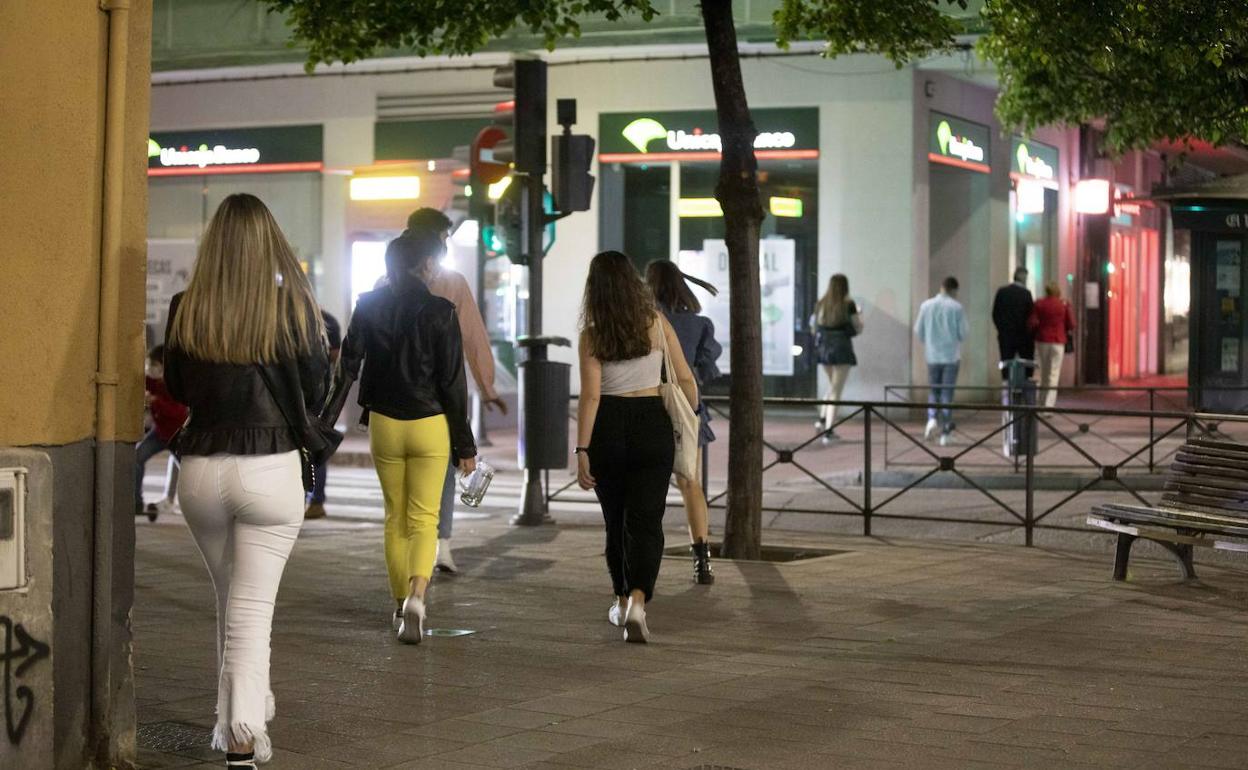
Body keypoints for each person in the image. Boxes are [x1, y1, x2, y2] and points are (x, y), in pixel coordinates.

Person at [163, 193, 330, 767]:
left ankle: (236, 712)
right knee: (251, 611)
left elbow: (179, 389)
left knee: (232, 602)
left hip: (202, 471)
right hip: (269, 468)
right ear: (270, 245)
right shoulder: (297, 310)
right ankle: (242, 739)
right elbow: (315, 388)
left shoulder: (188, 307)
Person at [321, 230, 477, 644]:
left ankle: (397, 604)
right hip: (431, 423)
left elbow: (347, 366)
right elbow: (452, 383)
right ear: (425, 266)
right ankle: (417, 596)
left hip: (386, 423)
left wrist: (326, 419)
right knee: (425, 518)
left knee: (395, 517)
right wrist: (466, 445)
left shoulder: (369, 306)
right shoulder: (441, 310)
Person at [577, 251, 697, 643]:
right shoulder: (656, 324)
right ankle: (640, 602)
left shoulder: (592, 334)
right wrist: (688, 414)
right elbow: (685, 380)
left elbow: (591, 397)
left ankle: (621, 599)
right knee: (646, 522)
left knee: (616, 522)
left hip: (608, 426)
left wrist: (582, 450)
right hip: (651, 425)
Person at [405, 207, 506, 574]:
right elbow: (474, 339)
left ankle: (411, 547)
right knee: (444, 472)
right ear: (438, 241)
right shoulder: (452, 283)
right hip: (442, 393)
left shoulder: (385, 283)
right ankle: (441, 544)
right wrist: (487, 385)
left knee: (402, 477)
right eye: (446, 237)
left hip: (395, 396)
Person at [645, 260, 721, 585]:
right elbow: (705, 370)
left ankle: (645, 561)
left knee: (647, 487)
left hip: (647, 405)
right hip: (687, 409)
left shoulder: (645, 321)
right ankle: (702, 561)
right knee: (691, 484)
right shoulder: (699, 325)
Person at [914, 276, 968, 446]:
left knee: (934, 390)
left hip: (932, 355)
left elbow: (919, 331)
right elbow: (964, 333)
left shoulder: (926, 305)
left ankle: (931, 420)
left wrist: (930, 341)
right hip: (951, 356)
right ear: (954, 290)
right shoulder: (957, 308)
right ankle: (946, 431)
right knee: (947, 393)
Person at [136, 344, 187, 519]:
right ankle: (136, 503)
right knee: (138, 457)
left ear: (163, 367)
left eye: (154, 366)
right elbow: (140, 380)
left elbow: (179, 413)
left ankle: (188, 505)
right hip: (159, 433)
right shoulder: (153, 381)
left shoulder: (176, 384)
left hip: (177, 435)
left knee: (187, 469)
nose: (150, 369)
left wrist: (155, 401)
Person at [811, 274, 864, 441]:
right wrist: (859, 314)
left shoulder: (821, 304)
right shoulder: (848, 304)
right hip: (841, 349)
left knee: (832, 386)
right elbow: (858, 328)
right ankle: (829, 430)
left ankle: (821, 420)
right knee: (836, 390)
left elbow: (814, 328)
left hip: (824, 349)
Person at [304, 310, 341, 520]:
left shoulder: (282, 314)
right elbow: (336, 355)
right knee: (315, 444)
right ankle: (316, 500)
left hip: (300, 393)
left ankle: (311, 499)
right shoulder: (328, 319)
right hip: (320, 391)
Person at [1029, 282, 1076, 408]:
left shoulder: (1039, 303)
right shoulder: (1063, 304)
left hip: (1042, 340)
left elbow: (1032, 322)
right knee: (1053, 374)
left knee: (1042, 373)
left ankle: (1039, 403)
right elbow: (1071, 324)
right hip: (1058, 341)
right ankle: (1048, 406)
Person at [992, 267, 1035, 378]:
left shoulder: (1002, 292)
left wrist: (1001, 328)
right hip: (1022, 336)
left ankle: (1006, 388)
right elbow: (1030, 315)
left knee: (1005, 362)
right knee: (1026, 363)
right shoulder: (1026, 294)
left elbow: (995, 313)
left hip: (1005, 335)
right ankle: (1025, 388)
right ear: (1024, 278)